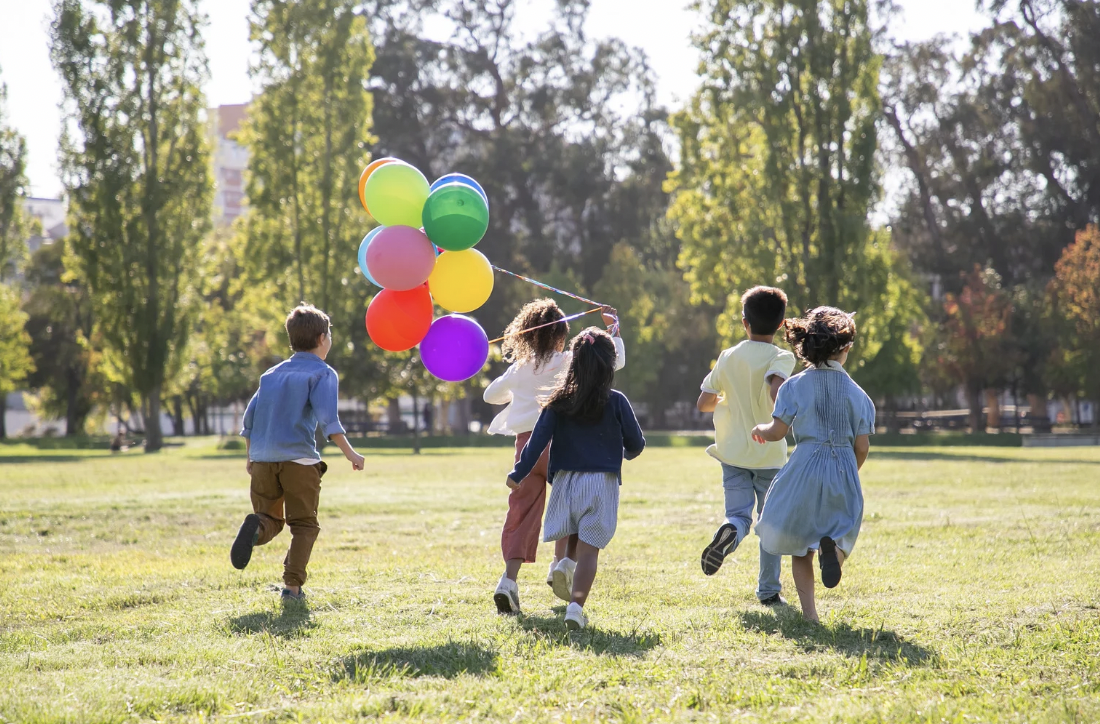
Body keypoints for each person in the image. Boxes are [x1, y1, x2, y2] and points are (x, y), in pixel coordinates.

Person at [484, 299, 624, 615]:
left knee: (521, 513)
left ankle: (508, 581)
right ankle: (560, 564)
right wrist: (613, 329)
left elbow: (490, 395)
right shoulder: (568, 361)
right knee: (571, 506)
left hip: (526, 450)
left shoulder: (519, 368)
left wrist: (517, 382)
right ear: (561, 336)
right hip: (561, 446)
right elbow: (613, 361)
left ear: (527, 336)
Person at [507, 327, 645, 630]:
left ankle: (565, 564)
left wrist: (518, 472)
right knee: (590, 551)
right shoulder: (617, 401)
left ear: (574, 363)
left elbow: (536, 442)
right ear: (609, 365)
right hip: (601, 483)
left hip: (565, 482)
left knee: (572, 529)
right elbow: (636, 443)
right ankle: (575, 607)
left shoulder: (558, 401)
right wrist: (625, 452)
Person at [230, 304, 366, 603]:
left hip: (263, 459)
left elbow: (249, 420)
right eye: (329, 334)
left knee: (269, 518)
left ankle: (255, 530)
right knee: (304, 525)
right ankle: (291, 588)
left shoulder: (271, 374)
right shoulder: (322, 373)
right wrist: (351, 454)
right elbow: (328, 420)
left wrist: (251, 456)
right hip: (299, 461)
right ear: (322, 338)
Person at [751, 307, 875, 623]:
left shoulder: (793, 386)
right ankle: (834, 554)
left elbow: (777, 431)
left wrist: (760, 429)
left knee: (800, 545)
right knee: (843, 531)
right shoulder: (859, 395)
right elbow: (862, 447)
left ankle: (810, 616)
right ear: (846, 348)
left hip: (803, 468)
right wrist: (849, 472)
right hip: (843, 468)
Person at [696, 286, 796, 606]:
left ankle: (729, 531)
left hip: (732, 453)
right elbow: (776, 390)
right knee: (770, 522)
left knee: (738, 515)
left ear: (744, 323)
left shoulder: (728, 356)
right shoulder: (781, 356)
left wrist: (729, 400)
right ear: (780, 325)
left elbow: (704, 402)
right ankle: (768, 591)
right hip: (769, 454)